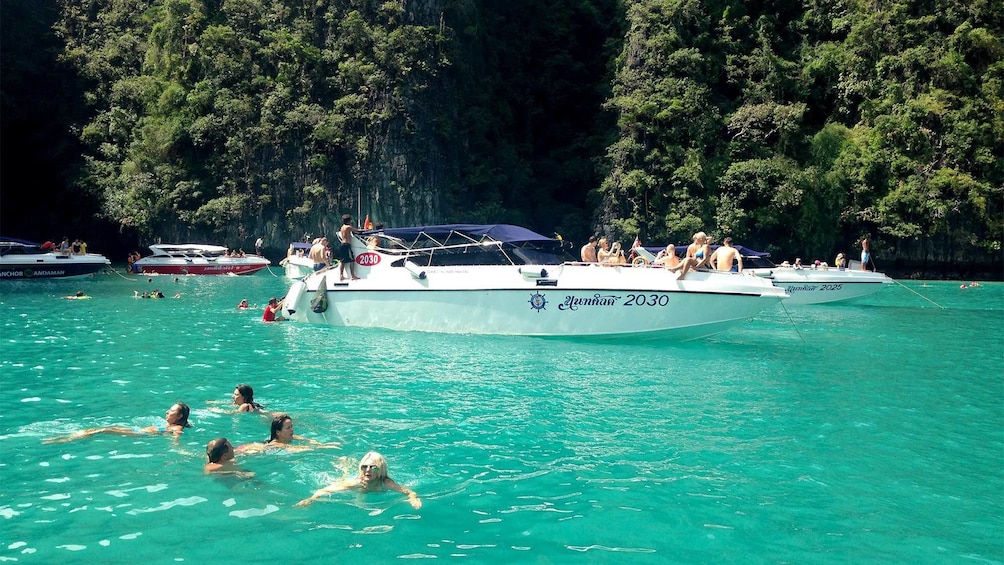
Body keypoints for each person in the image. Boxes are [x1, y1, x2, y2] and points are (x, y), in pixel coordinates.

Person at [296, 451, 421, 509]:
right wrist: (310, 499)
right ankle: (344, 467)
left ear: (381, 470)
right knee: (342, 479)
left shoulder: (386, 483)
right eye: (364, 467)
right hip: (356, 485)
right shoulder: (355, 482)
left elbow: (410, 492)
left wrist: (413, 499)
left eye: (373, 467)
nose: (368, 470)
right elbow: (323, 490)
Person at [44, 403, 192, 443]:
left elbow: (177, 436)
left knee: (101, 430)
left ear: (178, 416)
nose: (167, 412)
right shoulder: (175, 423)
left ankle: (64, 439)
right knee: (99, 429)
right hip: (136, 430)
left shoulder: (177, 427)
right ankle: (65, 437)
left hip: (138, 434)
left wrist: (177, 447)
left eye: (171, 411)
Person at [238, 414, 339, 454]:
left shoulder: (288, 437)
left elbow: (303, 439)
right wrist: (323, 448)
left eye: (292, 426)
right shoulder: (278, 444)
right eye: (288, 428)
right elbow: (297, 449)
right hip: (256, 449)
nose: (292, 430)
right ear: (278, 432)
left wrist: (321, 443)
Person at [337, 214, 360, 281]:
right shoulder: (348, 227)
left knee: (343, 261)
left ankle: (341, 275)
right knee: (352, 260)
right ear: (349, 221)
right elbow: (357, 230)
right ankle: (352, 275)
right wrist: (366, 230)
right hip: (347, 245)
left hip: (342, 244)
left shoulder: (342, 227)